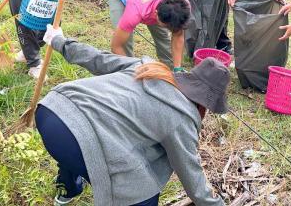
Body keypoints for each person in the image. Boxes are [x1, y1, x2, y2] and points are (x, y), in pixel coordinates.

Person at [37, 25, 229, 206]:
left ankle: (68, 188)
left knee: (86, 126)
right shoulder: (182, 118)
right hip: (74, 137)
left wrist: (60, 41)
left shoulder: (151, 68)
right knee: (143, 189)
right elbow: (194, 181)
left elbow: (98, 59)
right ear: (205, 106)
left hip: (54, 107)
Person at [107, 0, 190, 70]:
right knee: (125, 41)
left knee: (162, 35)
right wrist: (133, 70)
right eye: (167, 26)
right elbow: (116, 46)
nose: (171, 30)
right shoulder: (135, 10)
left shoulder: (182, 5)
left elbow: (178, 34)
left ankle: (169, 70)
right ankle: (127, 72)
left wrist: (177, 68)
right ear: (156, 14)